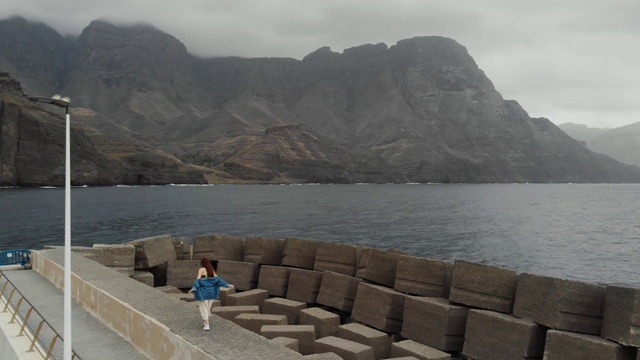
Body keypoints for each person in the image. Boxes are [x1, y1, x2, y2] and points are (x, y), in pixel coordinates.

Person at [189, 258, 234, 331]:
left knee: (204, 308)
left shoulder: (201, 269)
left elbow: (198, 280)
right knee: (208, 309)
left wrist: (194, 288)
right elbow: (218, 280)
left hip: (203, 293)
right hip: (211, 293)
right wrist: (227, 285)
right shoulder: (211, 270)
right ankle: (205, 323)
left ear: (202, 263)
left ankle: (207, 325)